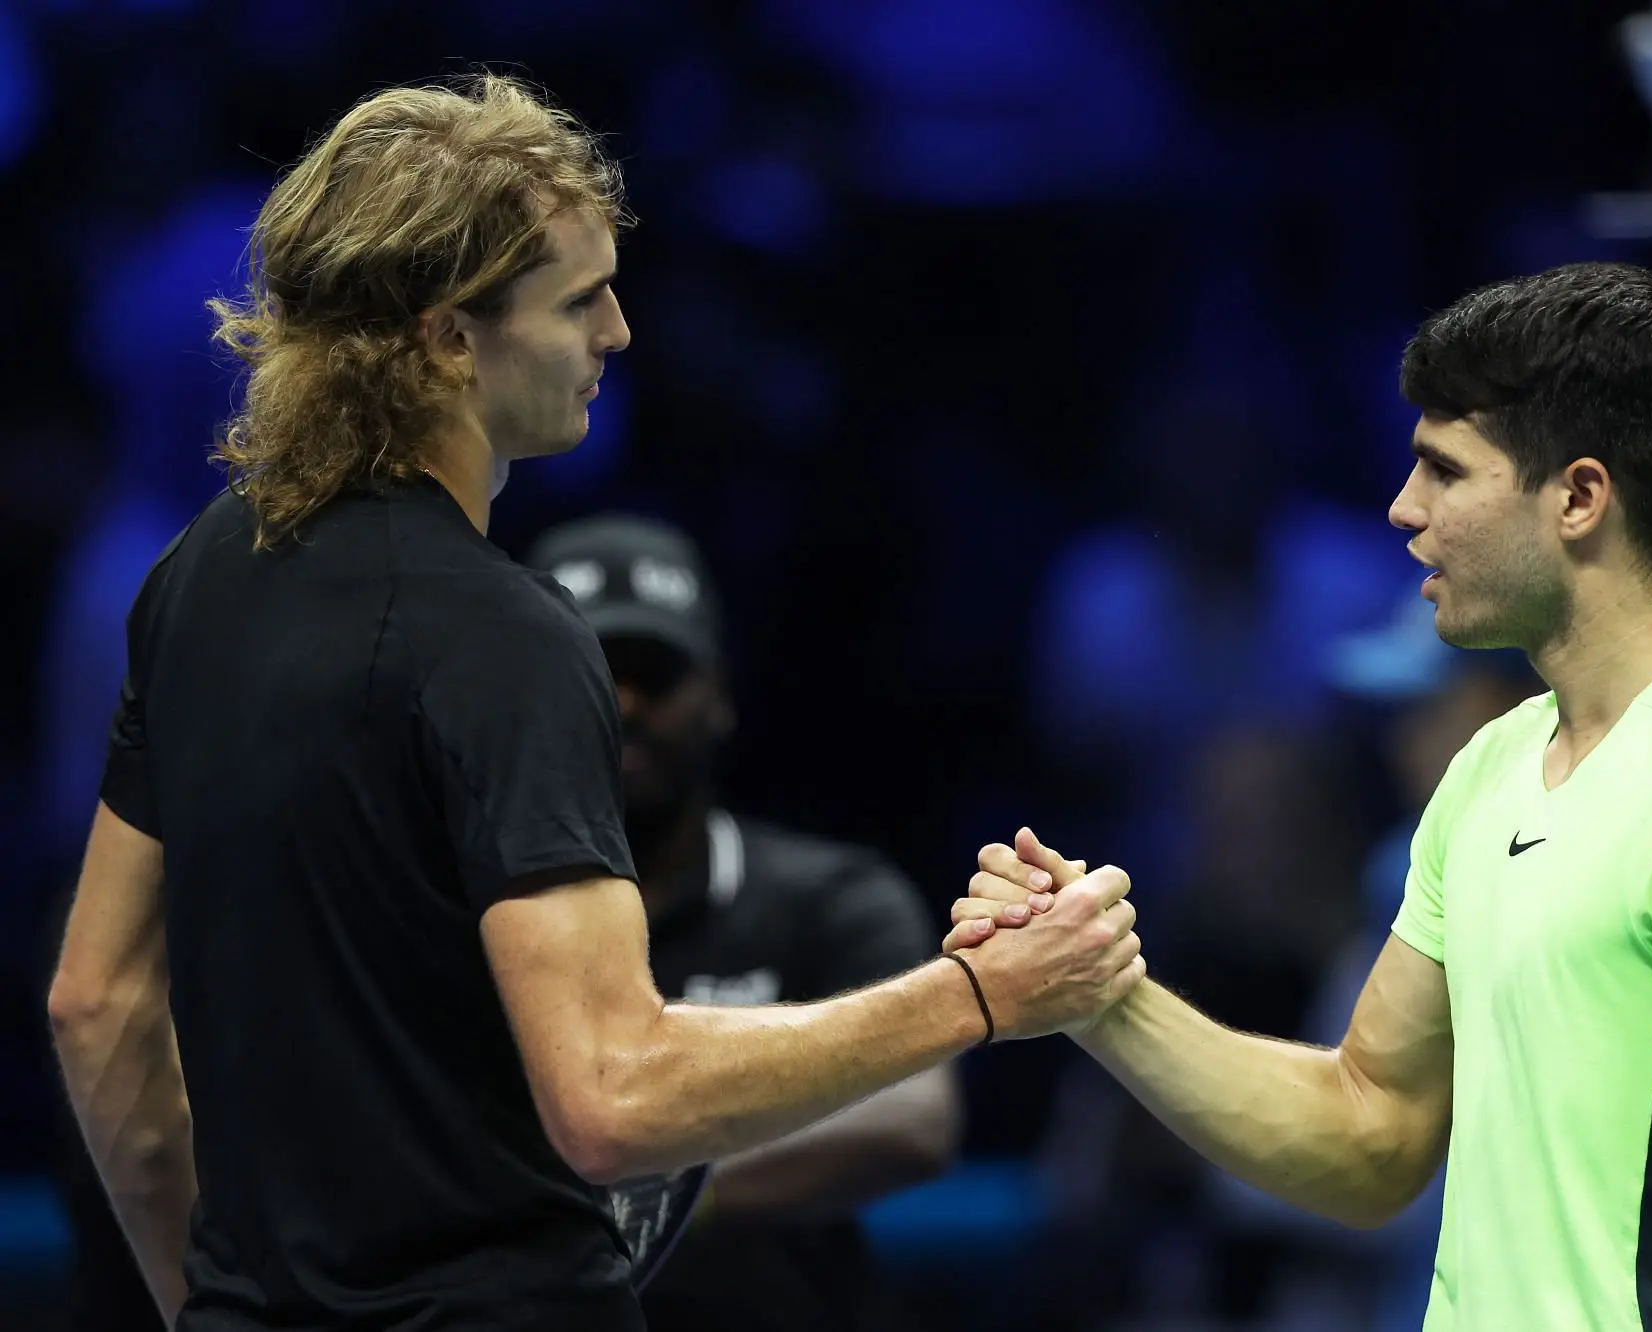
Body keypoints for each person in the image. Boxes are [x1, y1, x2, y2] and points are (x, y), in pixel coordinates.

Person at [43, 74, 1142, 1332]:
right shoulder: (502, 635)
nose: (618, 331)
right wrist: (983, 996)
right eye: (579, 300)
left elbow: (99, 1005)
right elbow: (613, 1096)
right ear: (451, 338)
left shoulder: (199, 575)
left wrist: (208, 1308)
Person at [951, 262, 1652, 1331]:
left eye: (1444, 471)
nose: (1403, 508)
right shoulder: (1488, 772)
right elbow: (1370, 1131)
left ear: (1577, 497)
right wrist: (1099, 995)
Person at [526, 513, 959, 1330]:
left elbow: (913, 1116)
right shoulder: (448, 918)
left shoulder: (829, 901)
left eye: (656, 672)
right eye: (590, 669)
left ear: (719, 694)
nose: (625, 702)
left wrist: (657, 1193)